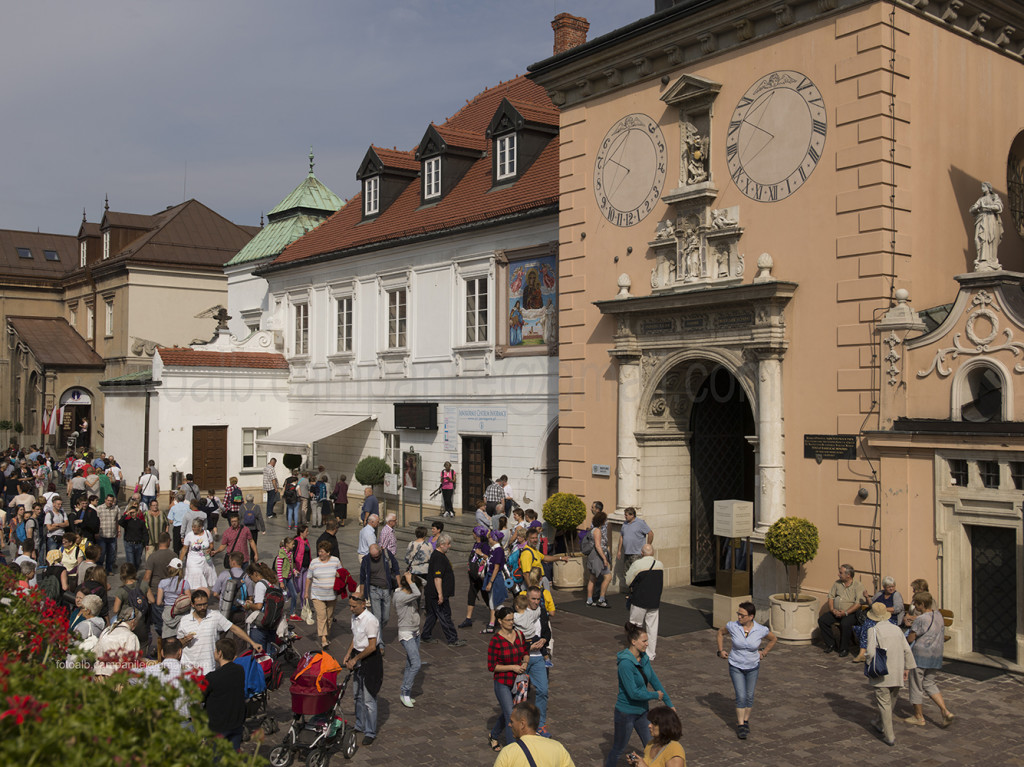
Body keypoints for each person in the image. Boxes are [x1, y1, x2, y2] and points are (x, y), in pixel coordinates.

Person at [605, 622, 674, 767]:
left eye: (647, 640)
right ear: (633, 641)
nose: (647, 644)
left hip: (643, 712)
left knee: (651, 746)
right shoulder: (625, 664)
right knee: (619, 749)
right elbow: (633, 693)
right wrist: (654, 695)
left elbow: (655, 680)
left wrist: (670, 705)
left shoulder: (644, 658)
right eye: (644, 641)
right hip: (626, 713)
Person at [716, 601, 776, 739]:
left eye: (742, 615)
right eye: (738, 614)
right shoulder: (732, 626)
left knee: (749, 695)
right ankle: (741, 724)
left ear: (751, 616)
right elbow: (720, 632)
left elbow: (773, 639)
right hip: (736, 665)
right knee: (741, 696)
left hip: (753, 666)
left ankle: (746, 720)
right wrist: (721, 650)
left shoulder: (760, 630)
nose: (739, 617)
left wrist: (764, 652)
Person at [865, 601, 916, 746]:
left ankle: (889, 735)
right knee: (890, 701)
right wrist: (907, 668)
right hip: (897, 670)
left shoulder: (873, 631)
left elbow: (870, 652)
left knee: (884, 703)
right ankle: (879, 723)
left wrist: (868, 665)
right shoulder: (897, 630)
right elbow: (907, 649)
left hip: (882, 672)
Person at [178, 590, 261, 675]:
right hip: (188, 668)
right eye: (199, 605)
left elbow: (234, 629)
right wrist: (184, 641)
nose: (203, 607)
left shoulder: (215, 616)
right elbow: (178, 645)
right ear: (192, 604)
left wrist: (252, 643)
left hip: (208, 668)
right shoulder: (184, 620)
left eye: (205, 604)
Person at [903, 592, 955, 728]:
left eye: (916, 603)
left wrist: (909, 627)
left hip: (920, 656)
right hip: (935, 655)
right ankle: (945, 710)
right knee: (929, 683)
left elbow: (911, 638)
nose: (914, 605)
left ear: (922, 604)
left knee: (916, 685)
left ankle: (918, 716)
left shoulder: (921, 619)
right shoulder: (939, 615)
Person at [487, 606, 529, 751]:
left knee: (509, 712)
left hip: (518, 682)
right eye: (508, 620)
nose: (511, 622)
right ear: (500, 621)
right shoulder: (496, 641)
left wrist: (525, 662)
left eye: (513, 619)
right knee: (511, 714)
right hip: (502, 682)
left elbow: (525, 651)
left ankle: (493, 735)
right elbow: (492, 666)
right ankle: (513, 749)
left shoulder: (519, 634)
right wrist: (512, 667)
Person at [344, 594, 383, 746]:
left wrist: (355, 659)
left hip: (370, 660)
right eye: (350, 606)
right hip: (358, 656)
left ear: (362, 605)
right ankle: (360, 725)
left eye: (354, 606)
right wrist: (348, 653)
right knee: (357, 696)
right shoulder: (354, 617)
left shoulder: (370, 620)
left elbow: (372, 646)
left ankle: (370, 732)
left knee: (369, 699)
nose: (351, 609)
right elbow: (356, 638)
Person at [514, 586, 552, 735]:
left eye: (538, 599)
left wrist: (544, 640)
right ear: (527, 598)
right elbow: (514, 637)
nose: (536, 602)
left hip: (537, 658)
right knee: (519, 695)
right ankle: (518, 725)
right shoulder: (519, 614)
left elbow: (547, 632)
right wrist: (528, 647)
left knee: (543, 690)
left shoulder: (542, 611)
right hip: (523, 658)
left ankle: (540, 725)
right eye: (533, 599)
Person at [493, 701, 576, 767]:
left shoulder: (508, 753)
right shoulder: (558, 748)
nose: (509, 725)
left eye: (512, 722)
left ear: (522, 724)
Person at [421, 533, 467, 647]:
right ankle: (452, 639)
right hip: (436, 594)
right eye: (448, 544)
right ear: (441, 545)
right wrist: (440, 594)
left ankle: (425, 635)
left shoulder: (438, 555)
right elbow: (437, 577)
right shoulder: (439, 558)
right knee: (445, 616)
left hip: (432, 592)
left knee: (432, 615)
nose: (450, 546)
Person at [204, 637, 247, 752]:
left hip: (218, 725)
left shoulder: (212, 677)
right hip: (236, 722)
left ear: (220, 653)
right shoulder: (240, 670)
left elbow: (200, 696)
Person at [852, 576, 905, 663]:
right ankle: (863, 653)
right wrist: (867, 597)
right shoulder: (880, 593)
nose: (891, 588)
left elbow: (898, 608)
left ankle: (866, 652)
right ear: (884, 587)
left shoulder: (896, 595)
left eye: (893, 586)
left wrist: (882, 609)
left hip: (891, 619)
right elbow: (872, 604)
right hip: (876, 618)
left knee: (868, 627)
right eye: (889, 587)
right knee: (865, 625)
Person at [626, 544, 664, 661]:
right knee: (652, 628)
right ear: (653, 552)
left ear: (642, 553)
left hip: (639, 600)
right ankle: (650, 653)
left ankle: (636, 651)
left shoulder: (637, 564)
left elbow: (628, 581)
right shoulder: (660, 564)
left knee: (635, 626)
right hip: (654, 600)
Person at [818, 564, 864, 656]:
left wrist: (846, 612)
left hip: (850, 613)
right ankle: (831, 644)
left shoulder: (858, 585)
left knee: (845, 624)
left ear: (848, 575)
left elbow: (858, 603)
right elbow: (831, 597)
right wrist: (832, 609)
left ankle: (844, 649)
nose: (838, 574)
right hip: (836, 611)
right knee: (822, 620)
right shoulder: (837, 583)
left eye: (841, 573)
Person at [359, 543, 400, 649]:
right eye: (373, 557)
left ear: (380, 551)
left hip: (386, 590)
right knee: (377, 617)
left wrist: (399, 586)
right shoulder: (366, 560)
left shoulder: (386, 554)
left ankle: (374, 631)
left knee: (385, 617)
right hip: (373, 589)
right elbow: (362, 578)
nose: (375, 558)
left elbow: (396, 569)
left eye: (377, 556)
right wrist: (362, 595)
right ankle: (380, 643)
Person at [394, 571, 422, 708]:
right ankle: (404, 691)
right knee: (416, 664)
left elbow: (424, 583)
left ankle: (407, 692)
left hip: (416, 631)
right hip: (406, 633)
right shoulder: (400, 596)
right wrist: (411, 580)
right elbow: (417, 593)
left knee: (410, 663)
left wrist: (411, 575)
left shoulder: (408, 592)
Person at [307, 541, 341, 650]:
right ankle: (323, 639)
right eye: (319, 551)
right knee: (322, 616)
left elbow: (342, 573)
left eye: (322, 552)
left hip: (331, 595)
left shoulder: (335, 561)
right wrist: (306, 592)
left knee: (329, 617)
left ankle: (326, 633)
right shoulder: (314, 562)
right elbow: (308, 577)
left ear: (328, 552)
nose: (320, 553)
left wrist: (339, 575)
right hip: (317, 595)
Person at [93, 603, 142, 676]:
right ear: (133, 621)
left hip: (98, 674)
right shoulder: (130, 637)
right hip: (115, 677)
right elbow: (129, 662)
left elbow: (95, 652)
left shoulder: (107, 631)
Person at [462, 526, 493, 630]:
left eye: (474, 533)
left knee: (486, 597)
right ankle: (468, 618)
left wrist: (481, 554)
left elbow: (489, 558)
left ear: (477, 534)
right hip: (474, 576)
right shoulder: (476, 544)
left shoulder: (485, 546)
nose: (473, 534)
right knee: (471, 595)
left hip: (481, 577)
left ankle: (494, 617)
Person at [971, 181, 1004, 269]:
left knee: (989, 238)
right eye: (982, 187)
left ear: (988, 188)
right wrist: (976, 208)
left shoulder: (994, 197)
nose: (982, 189)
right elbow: (972, 210)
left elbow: (999, 207)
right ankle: (980, 258)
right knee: (978, 239)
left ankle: (989, 260)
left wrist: (987, 207)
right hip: (981, 219)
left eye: (983, 187)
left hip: (990, 219)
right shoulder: (981, 199)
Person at [585, 506, 612, 608]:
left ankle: (589, 600)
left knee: (593, 578)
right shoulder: (597, 531)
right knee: (608, 577)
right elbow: (598, 545)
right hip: (598, 557)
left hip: (593, 557)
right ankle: (601, 599)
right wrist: (604, 559)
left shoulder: (593, 530)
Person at [181, 517, 216, 593]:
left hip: (206, 560)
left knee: (205, 578)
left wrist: (210, 549)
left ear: (200, 527)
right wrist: (180, 560)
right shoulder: (189, 535)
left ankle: (203, 594)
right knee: (197, 575)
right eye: (192, 527)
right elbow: (184, 548)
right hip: (193, 560)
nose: (193, 529)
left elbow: (211, 544)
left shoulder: (207, 533)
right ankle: (197, 594)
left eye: (194, 527)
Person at [617, 507, 654, 574]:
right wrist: (619, 551)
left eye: (626, 515)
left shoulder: (640, 523)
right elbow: (622, 536)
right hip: (627, 553)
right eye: (625, 515)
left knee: (637, 573)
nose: (625, 516)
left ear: (632, 515)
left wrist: (648, 546)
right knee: (627, 574)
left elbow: (650, 533)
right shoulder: (624, 524)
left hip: (637, 553)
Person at [118, 502, 149, 571]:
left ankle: (135, 572)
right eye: (131, 513)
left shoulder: (141, 522)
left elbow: (145, 533)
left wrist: (146, 543)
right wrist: (127, 513)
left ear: (137, 513)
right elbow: (120, 522)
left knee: (137, 562)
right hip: (129, 543)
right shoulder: (127, 521)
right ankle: (131, 576)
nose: (133, 514)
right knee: (130, 562)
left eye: (134, 512)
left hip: (139, 544)